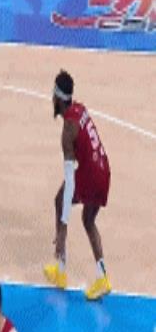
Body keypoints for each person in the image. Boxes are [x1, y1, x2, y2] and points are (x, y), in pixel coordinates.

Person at [44, 70, 112, 300]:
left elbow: (70, 182)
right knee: (88, 220)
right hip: (104, 169)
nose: (51, 99)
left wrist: (62, 229)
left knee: (60, 200)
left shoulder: (67, 132)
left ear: (58, 98)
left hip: (91, 174)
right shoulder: (80, 109)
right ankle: (102, 276)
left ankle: (60, 267)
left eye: (53, 95)